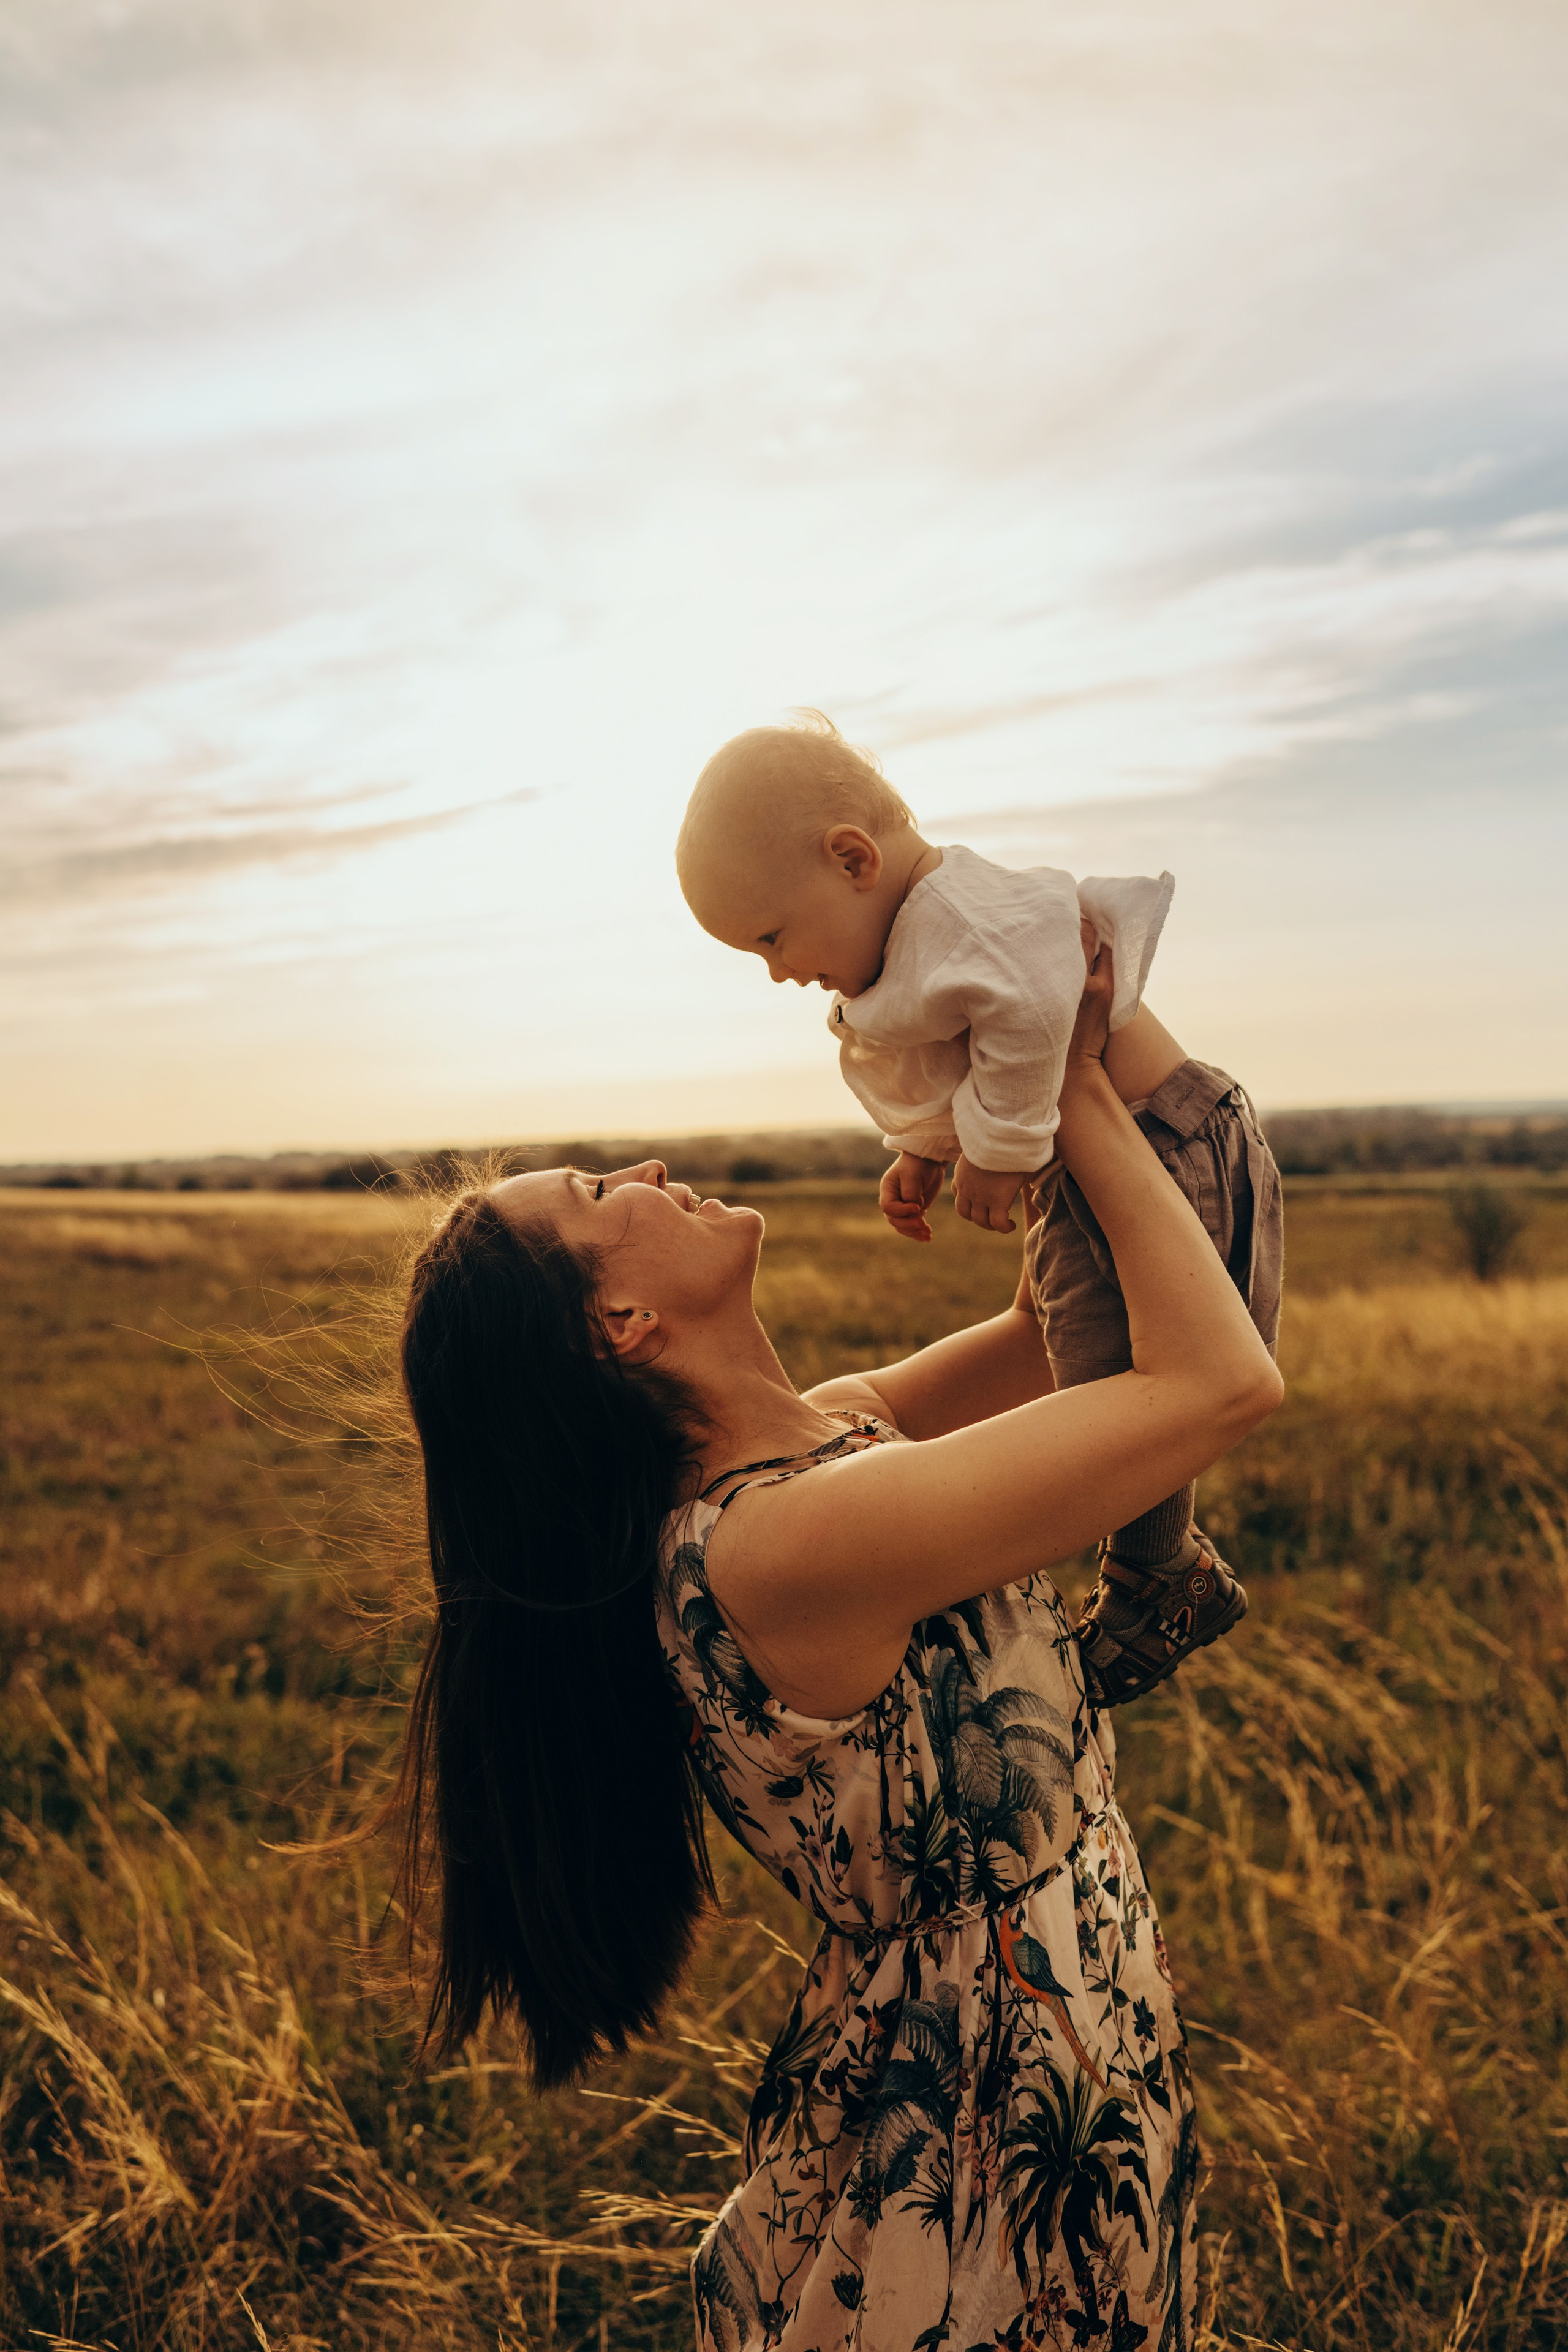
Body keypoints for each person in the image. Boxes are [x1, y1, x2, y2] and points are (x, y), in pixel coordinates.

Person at [394, 948, 1283, 2351]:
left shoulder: (830, 1433)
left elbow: (1066, 1326)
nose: (641, 1166)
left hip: (1047, 2041)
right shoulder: (785, 1546)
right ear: (618, 1326)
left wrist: (1045, 1010)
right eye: (595, 1197)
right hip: (985, 2114)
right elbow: (1213, 1380)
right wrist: (1067, 1089)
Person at [676, 712, 1284, 1705]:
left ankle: (1159, 1575)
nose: (780, 971)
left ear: (851, 857)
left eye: (772, 937)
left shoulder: (963, 912)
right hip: (1104, 1158)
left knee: (1121, 1380)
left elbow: (1040, 1011)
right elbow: (969, 1046)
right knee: (1089, 1359)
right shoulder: (922, 934)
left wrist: (999, 1150)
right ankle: (1162, 1569)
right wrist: (926, 1149)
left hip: (1160, 1145)